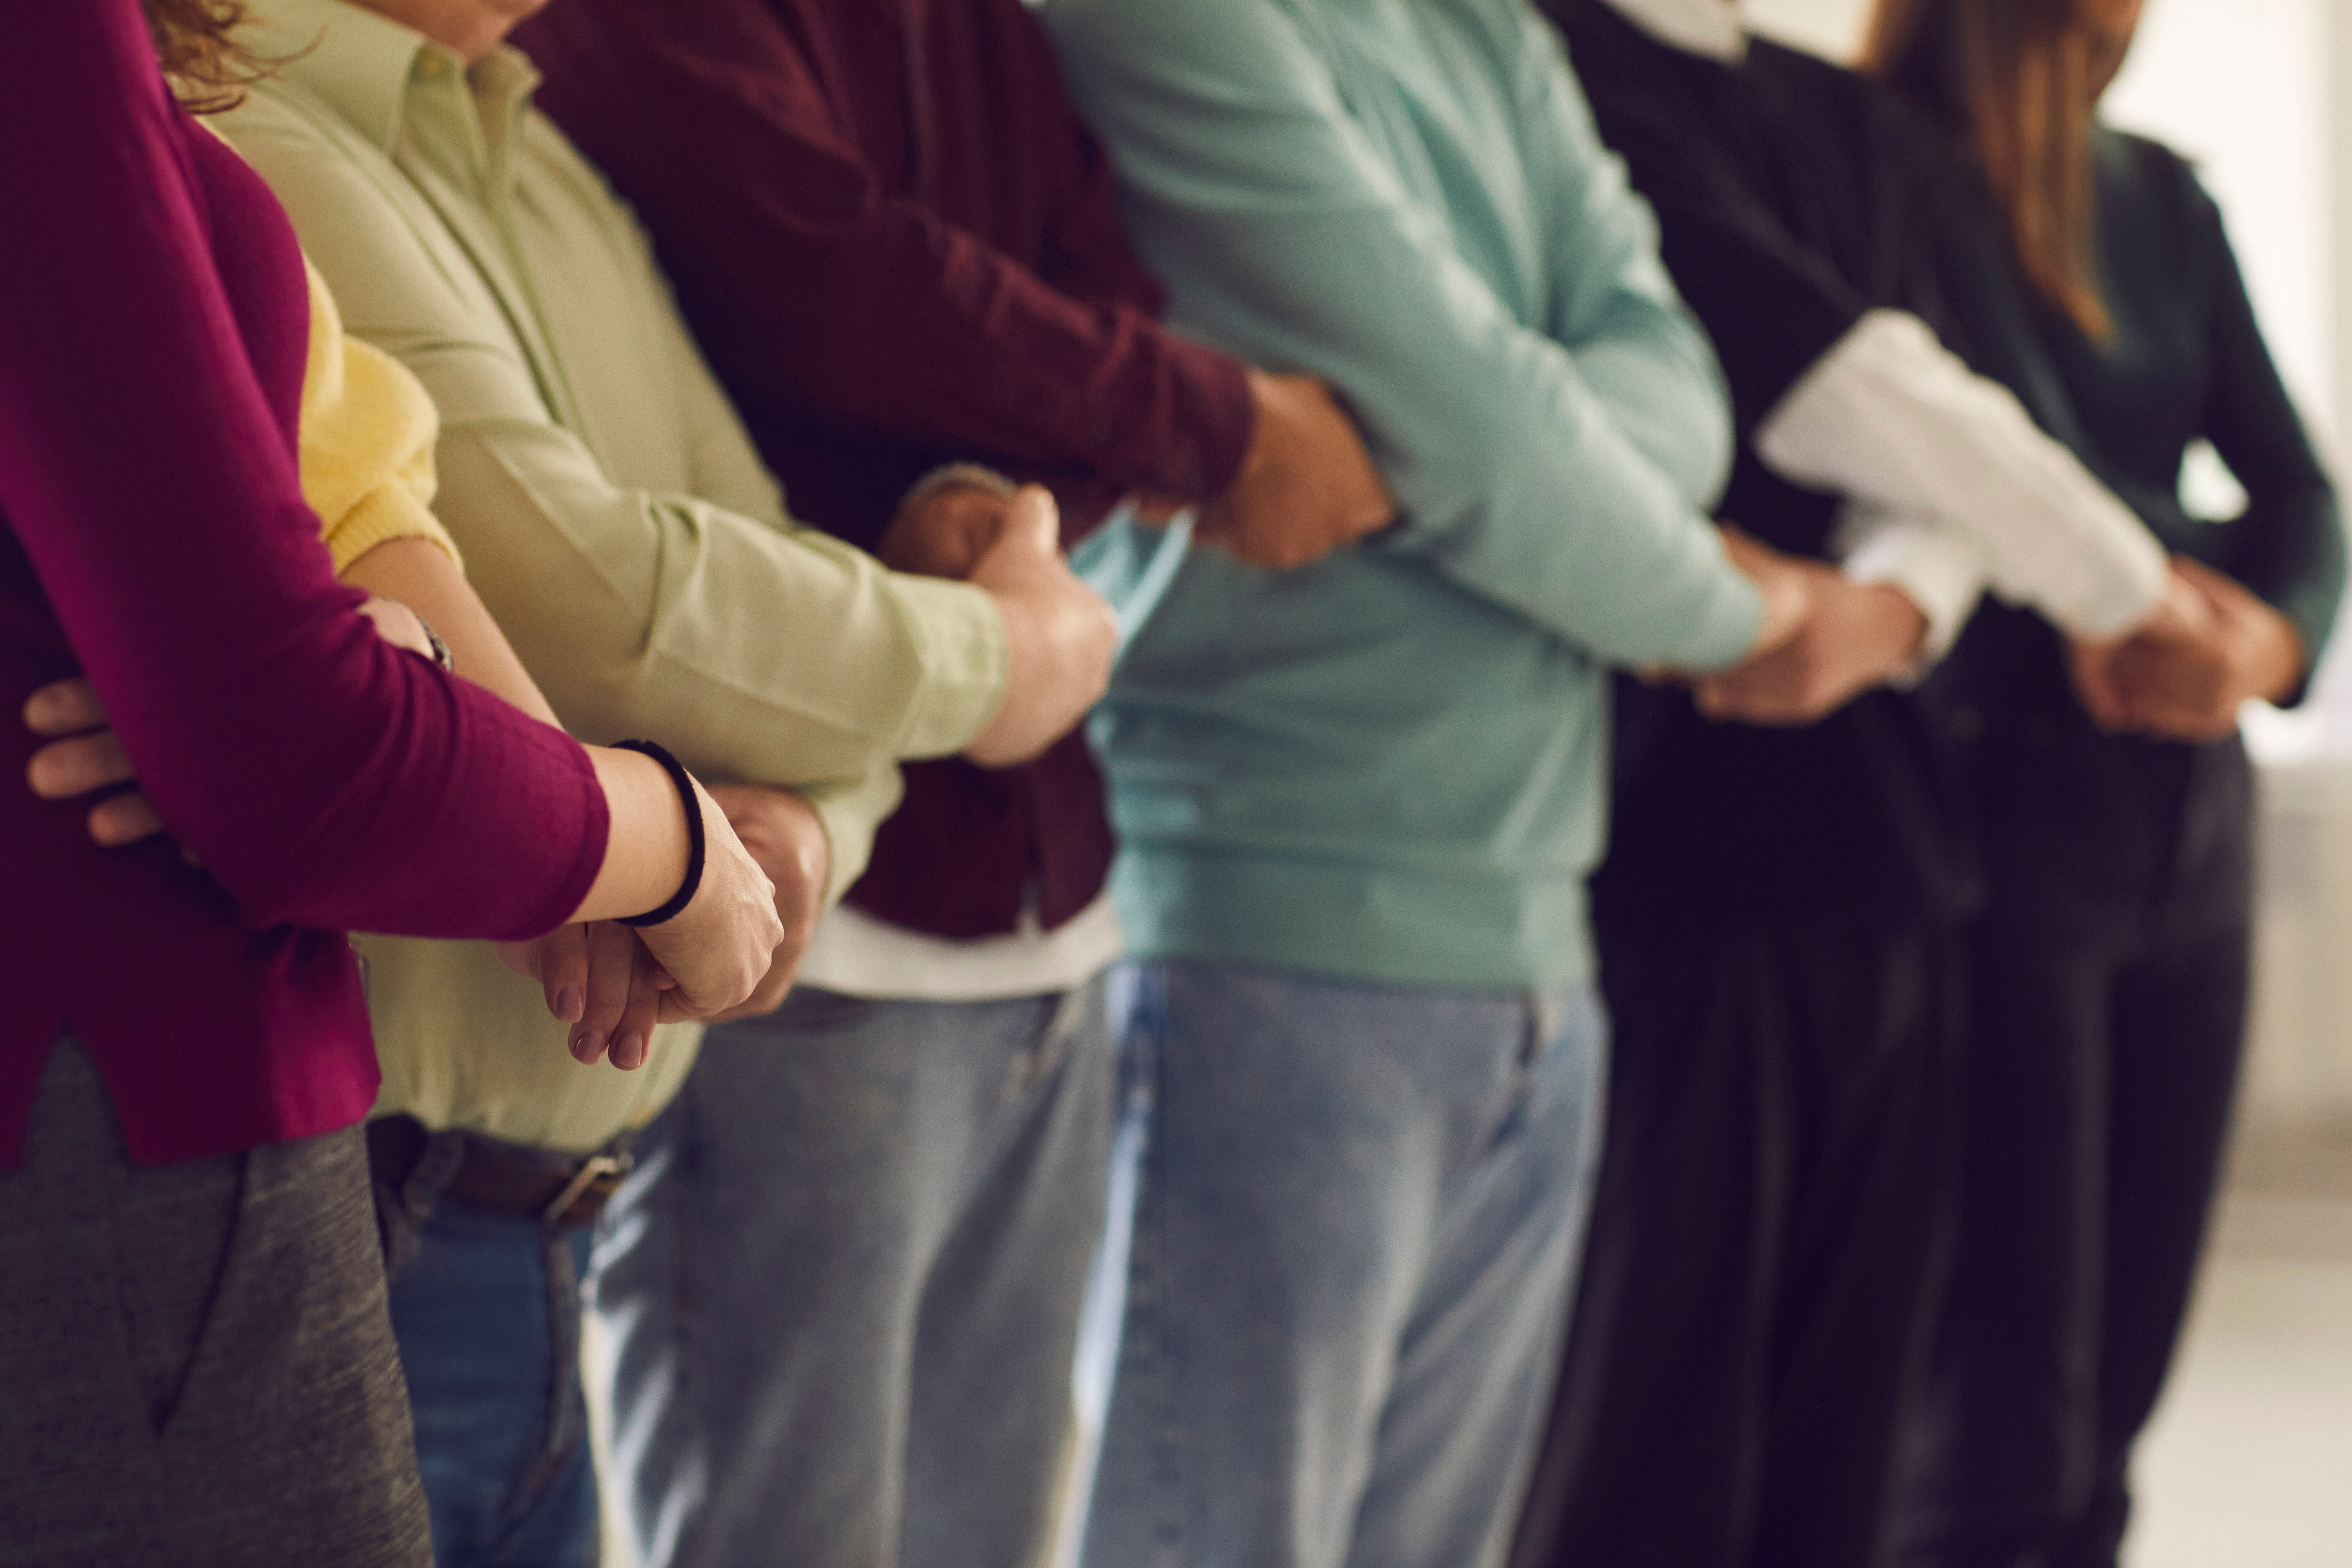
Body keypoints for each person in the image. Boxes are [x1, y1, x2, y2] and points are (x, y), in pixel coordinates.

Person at [209, 0, 1119, 1560]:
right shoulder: (257, 130)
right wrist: (1001, 662)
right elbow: (609, 606)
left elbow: (778, 585)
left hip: (553, 1229)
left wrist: (800, 834)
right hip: (366, 1229)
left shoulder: (551, 155)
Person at [506, 1, 1394, 1562]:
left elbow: (1102, 304)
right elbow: (850, 290)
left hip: (1056, 920)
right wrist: (1209, 417)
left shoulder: (999, 24)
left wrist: (1025, 464)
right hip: (810, 937)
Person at [1029, 2, 1828, 1563]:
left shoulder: (1492, 29)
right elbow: (1491, 410)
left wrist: (1460, 448)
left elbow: (1680, 389)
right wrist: (1738, 615)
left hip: (1540, 957)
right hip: (1262, 935)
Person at [0, 1, 783, 1561]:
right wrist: (669, 838)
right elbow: (288, 748)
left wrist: (382, 676)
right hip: (123, 1135)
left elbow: (303, 579)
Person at [1507, 4, 2207, 1566]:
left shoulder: (1848, 128)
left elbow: (1945, 434)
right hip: (1665, 869)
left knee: (1851, 1462)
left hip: (1894, 859)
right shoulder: (1551, 62)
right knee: (1648, 1459)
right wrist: (2124, 583)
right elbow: (1837, 384)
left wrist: (1878, 616)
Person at [1863, 3, 2347, 1564]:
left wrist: (2258, 642)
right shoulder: (1893, 179)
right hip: (2005, 813)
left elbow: (2301, 492)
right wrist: (2167, 579)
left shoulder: (2166, 197)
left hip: (2189, 815)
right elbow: (2013, 474)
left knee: (2128, 1360)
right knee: (2009, 1389)